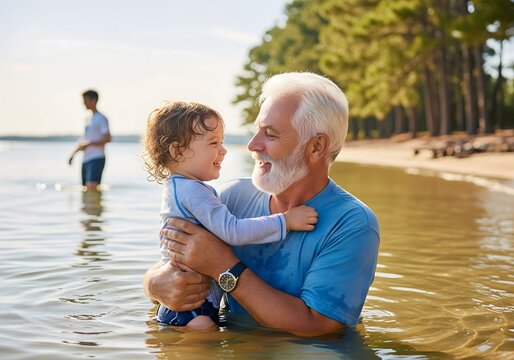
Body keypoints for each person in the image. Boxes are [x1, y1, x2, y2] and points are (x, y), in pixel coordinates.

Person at [144, 72, 380, 336]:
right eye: (257, 130)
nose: (252, 145)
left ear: (316, 147)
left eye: (270, 134)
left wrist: (224, 267)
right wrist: (154, 284)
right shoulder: (232, 196)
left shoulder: (353, 223)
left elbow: (318, 327)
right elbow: (176, 256)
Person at [142, 101, 318, 329]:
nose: (223, 150)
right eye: (213, 143)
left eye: (221, 142)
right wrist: (285, 220)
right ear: (177, 151)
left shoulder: (178, 187)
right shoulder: (193, 191)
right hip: (194, 310)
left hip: (184, 306)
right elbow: (233, 231)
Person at [68, 89, 111, 191]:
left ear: (94, 100)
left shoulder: (101, 118)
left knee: (92, 187)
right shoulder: (87, 119)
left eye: (85, 100)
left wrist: (90, 143)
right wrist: (73, 155)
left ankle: (94, 207)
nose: (83, 103)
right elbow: (85, 139)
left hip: (97, 158)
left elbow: (108, 138)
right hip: (86, 159)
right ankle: (89, 207)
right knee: (85, 189)